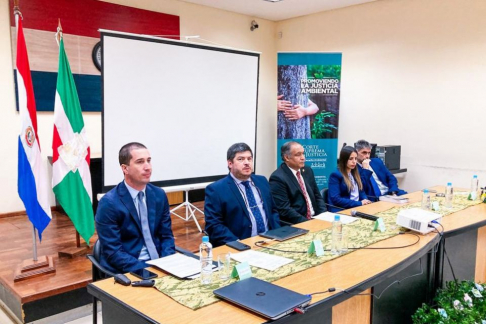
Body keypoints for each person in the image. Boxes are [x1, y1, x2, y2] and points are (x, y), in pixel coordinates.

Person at [95, 142, 175, 274]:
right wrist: (145, 270)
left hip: (160, 264)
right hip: (128, 268)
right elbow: (113, 251)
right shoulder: (109, 203)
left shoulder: (159, 195)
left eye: (149, 161)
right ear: (125, 168)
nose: (147, 167)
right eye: (140, 162)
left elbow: (166, 236)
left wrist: (166, 263)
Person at [204, 143, 281, 247]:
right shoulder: (216, 190)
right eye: (241, 159)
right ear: (230, 163)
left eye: (249, 159)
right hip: (240, 244)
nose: (247, 163)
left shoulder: (262, 181)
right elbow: (214, 225)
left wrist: (276, 234)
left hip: (270, 240)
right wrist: (238, 243)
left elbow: (273, 211)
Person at [269, 141, 326, 224]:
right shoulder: (278, 178)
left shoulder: (307, 170)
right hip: (297, 224)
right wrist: (308, 223)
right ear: (286, 157)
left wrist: (323, 216)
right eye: (298, 154)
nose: (303, 158)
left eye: (303, 153)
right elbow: (285, 209)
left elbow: (317, 196)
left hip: (316, 219)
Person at [328, 145, 372, 212]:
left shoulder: (355, 173)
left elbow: (361, 190)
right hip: (343, 209)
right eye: (351, 159)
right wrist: (359, 203)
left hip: (357, 208)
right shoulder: (335, 175)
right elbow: (336, 199)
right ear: (344, 160)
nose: (354, 162)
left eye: (355, 158)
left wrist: (365, 201)